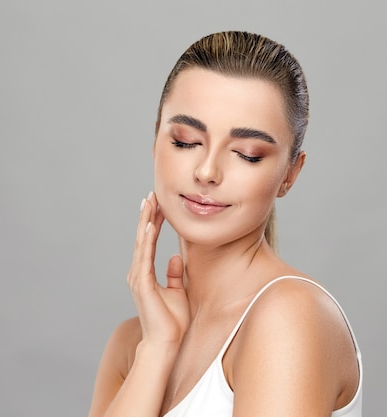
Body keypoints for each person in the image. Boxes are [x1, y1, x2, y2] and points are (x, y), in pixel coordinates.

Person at [88, 31, 362, 417]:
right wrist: (158, 347)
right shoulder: (131, 342)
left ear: (289, 174)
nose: (207, 171)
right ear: (155, 142)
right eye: (185, 141)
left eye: (247, 155)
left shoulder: (289, 317)